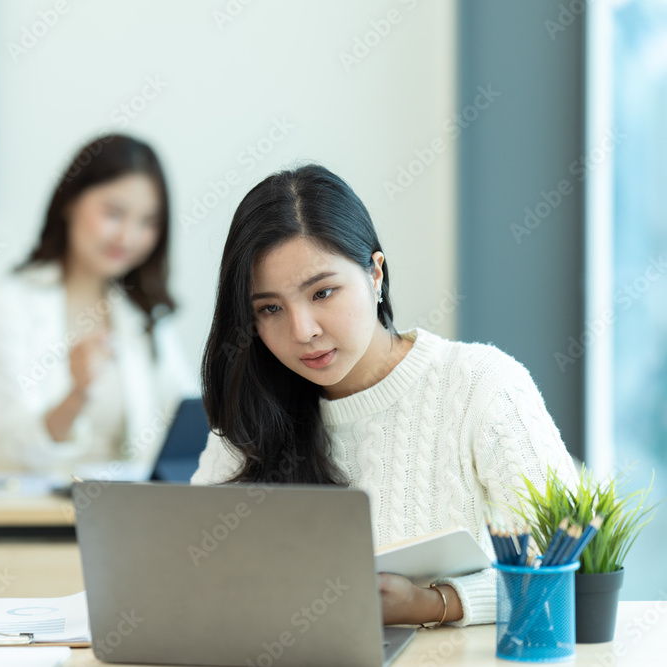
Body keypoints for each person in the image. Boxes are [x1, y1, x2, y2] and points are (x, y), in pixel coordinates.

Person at [191, 164, 579, 627]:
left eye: (323, 292)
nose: (303, 331)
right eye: (270, 308)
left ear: (375, 274)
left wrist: (436, 603)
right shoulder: (253, 410)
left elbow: (570, 572)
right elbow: (199, 575)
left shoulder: (481, 384)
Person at [0, 135, 196, 474]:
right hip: (39, 516)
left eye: (148, 222)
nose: (128, 238)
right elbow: (17, 449)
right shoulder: (11, 302)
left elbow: (187, 413)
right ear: (70, 201)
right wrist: (77, 393)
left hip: (128, 513)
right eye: (114, 213)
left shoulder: (142, 307)